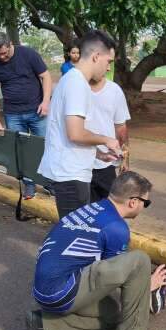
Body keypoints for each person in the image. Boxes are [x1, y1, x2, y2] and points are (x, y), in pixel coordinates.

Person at [27, 171, 166, 330]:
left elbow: (106, 272)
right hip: (62, 292)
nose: (144, 207)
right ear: (133, 202)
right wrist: (147, 287)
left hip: (43, 291)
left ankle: (45, 326)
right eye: (146, 203)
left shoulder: (92, 209)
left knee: (115, 312)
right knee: (139, 260)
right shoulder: (116, 228)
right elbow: (116, 277)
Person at [38, 30, 121, 218]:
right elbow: (75, 133)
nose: (108, 68)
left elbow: (68, 132)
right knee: (73, 237)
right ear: (96, 56)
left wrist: (98, 153)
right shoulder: (77, 84)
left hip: (71, 171)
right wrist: (107, 139)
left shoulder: (71, 80)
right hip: (70, 174)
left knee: (76, 232)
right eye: (109, 61)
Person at [0, 32, 53, 199]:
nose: (1, 57)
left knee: (46, 148)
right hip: (13, 115)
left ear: (10, 44)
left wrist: (45, 102)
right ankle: (29, 184)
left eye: (4, 52)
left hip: (37, 112)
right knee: (20, 151)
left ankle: (49, 183)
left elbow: (46, 77)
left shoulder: (28, 54)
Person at [86, 76, 131, 202]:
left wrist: (125, 159)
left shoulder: (114, 90)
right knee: (86, 212)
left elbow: (121, 128)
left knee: (109, 209)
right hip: (79, 164)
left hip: (105, 164)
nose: (107, 68)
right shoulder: (75, 88)